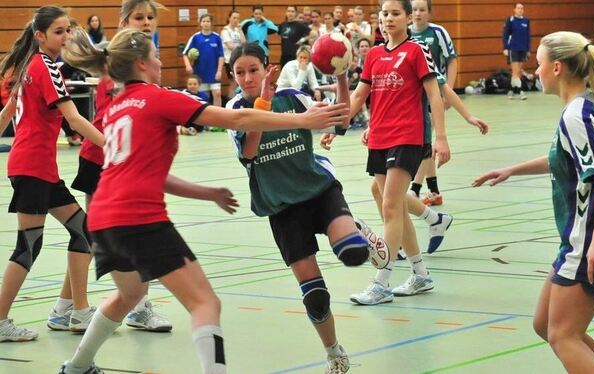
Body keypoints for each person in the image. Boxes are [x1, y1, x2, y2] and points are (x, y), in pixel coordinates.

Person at [57, 27, 349, 374]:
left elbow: (142, 173)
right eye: (154, 55)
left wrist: (205, 192)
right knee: (205, 304)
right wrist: (303, 119)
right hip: (138, 217)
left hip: (103, 218)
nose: (160, 62)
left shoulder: (118, 107)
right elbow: (237, 118)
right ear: (140, 64)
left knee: (128, 295)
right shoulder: (160, 98)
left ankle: (76, 367)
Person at [473, 31, 594, 373]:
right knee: (545, 324)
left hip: (591, 240)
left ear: (557, 68)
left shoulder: (577, 115)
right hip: (584, 239)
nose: (535, 71)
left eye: (539, 64)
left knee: (563, 335)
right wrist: (513, 170)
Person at [227, 41, 387, 374]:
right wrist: (265, 102)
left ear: (267, 68)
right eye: (240, 72)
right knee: (316, 296)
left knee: (353, 254)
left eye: (253, 70)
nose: (247, 77)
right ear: (233, 76)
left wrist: (342, 76)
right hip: (281, 206)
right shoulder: (235, 111)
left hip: (318, 191)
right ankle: (334, 352)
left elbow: (341, 119)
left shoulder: (293, 98)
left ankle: (358, 231)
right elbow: (250, 151)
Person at [48, 0, 175, 336]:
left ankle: (64, 308)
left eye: (150, 17)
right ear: (123, 21)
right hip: (104, 160)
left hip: (117, 160)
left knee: (90, 238)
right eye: (138, 17)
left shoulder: (139, 62)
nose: (146, 22)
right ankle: (138, 308)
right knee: (129, 235)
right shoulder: (119, 67)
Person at [0, 5, 105, 342]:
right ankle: (1, 320)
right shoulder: (45, 67)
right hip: (33, 167)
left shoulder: (29, 65)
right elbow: (74, 119)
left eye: (67, 30)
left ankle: (75, 311)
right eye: (58, 31)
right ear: (40, 35)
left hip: (39, 167)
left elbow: (7, 111)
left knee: (85, 231)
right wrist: (116, 151)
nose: (65, 37)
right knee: (28, 246)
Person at [344, 0, 449, 305]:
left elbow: (434, 94)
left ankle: (381, 282)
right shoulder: (374, 54)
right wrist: (336, 125)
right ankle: (420, 274)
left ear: (406, 17)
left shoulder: (416, 51)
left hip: (407, 137)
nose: (388, 19)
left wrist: (440, 137)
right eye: (384, 14)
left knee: (390, 205)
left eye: (395, 13)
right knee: (398, 208)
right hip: (379, 137)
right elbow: (360, 95)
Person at [410, 0, 459, 206]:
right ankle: (434, 191)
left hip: (434, 93)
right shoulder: (406, 33)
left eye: (422, 10)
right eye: (414, 10)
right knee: (425, 142)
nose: (418, 14)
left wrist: (448, 91)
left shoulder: (438, 32)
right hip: (414, 97)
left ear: (429, 12)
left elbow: (451, 60)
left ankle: (414, 189)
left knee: (425, 142)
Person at [183, 13, 224, 108]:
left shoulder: (217, 37)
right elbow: (185, 53)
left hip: (213, 72)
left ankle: (219, 117)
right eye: (204, 21)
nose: (206, 23)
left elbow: (221, 56)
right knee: (204, 96)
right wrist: (188, 65)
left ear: (211, 23)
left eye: (208, 21)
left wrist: (219, 71)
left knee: (217, 93)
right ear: (200, 23)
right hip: (200, 72)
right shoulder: (196, 37)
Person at [503, 3, 531, 100]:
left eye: (522, 8)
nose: (520, 10)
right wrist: (505, 48)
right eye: (518, 8)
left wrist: (528, 49)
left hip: (523, 49)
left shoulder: (526, 21)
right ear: (514, 9)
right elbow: (505, 35)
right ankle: (521, 91)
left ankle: (510, 90)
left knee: (518, 72)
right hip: (513, 48)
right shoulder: (510, 20)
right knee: (515, 72)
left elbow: (528, 36)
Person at [222, 9, 246, 100]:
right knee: (233, 83)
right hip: (230, 61)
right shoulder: (225, 31)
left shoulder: (237, 30)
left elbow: (244, 42)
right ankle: (230, 101)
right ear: (229, 18)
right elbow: (230, 46)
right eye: (234, 18)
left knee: (239, 82)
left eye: (238, 18)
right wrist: (241, 49)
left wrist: (240, 30)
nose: (236, 20)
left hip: (239, 60)